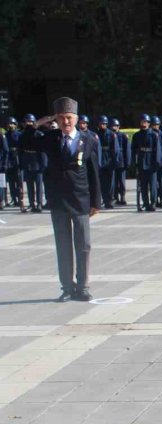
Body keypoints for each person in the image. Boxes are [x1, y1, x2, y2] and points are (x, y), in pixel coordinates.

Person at [33, 97, 101, 302]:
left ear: (76, 119)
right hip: (58, 200)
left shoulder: (88, 139)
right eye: (61, 117)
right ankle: (67, 288)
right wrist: (40, 122)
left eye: (69, 117)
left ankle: (83, 286)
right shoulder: (50, 138)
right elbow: (25, 140)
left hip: (80, 199)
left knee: (84, 245)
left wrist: (96, 202)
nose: (66, 121)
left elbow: (94, 172)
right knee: (63, 246)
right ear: (57, 119)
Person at [131, 114, 162, 212]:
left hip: (151, 163)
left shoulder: (154, 135)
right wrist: (134, 162)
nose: (144, 124)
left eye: (145, 122)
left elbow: (157, 150)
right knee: (143, 186)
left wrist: (157, 162)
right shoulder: (136, 135)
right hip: (141, 163)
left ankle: (153, 203)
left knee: (152, 185)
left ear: (149, 123)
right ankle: (145, 203)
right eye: (142, 122)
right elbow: (133, 150)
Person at [19, 114, 45, 213]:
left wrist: (43, 164)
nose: (29, 124)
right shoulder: (22, 135)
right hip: (27, 161)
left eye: (31, 122)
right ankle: (31, 204)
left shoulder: (39, 134)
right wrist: (21, 163)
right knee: (29, 186)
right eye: (27, 122)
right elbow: (20, 150)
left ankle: (39, 204)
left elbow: (43, 151)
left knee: (39, 186)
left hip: (37, 161)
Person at [96, 115, 118, 209]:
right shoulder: (96, 134)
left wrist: (114, 161)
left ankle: (110, 200)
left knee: (110, 183)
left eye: (104, 124)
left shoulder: (111, 134)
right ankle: (105, 200)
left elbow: (115, 150)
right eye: (101, 124)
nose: (102, 125)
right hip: (100, 161)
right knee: (102, 183)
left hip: (109, 160)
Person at [149, 116, 162, 209]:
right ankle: (155, 199)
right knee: (153, 183)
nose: (155, 126)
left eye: (156, 125)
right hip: (152, 162)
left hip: (161, 162)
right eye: (153, 125)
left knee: (161, 182)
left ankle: (161, 199)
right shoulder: (150, 135)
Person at [4, 117, 23, 210]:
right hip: (9, 159)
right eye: (9, 123)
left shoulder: (19, 134)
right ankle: (13, 198)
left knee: (19, 180)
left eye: (12, 123)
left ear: (15, 125)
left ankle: (20, 199)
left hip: (17, 158)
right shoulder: (5, 135)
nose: (10, 125)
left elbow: (22, 145)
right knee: (11, 181)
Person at [111, 118, 130, 206]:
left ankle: (122, 197)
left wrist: (127, 162)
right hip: (112, 161)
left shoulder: (123, 136)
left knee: (121, 181)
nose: (114, 128)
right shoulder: (110, 135)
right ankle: (115, 197)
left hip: (121, 160)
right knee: (114, 181)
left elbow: (127, 150)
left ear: (118, 127)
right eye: (112, 126)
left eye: (115, 126)